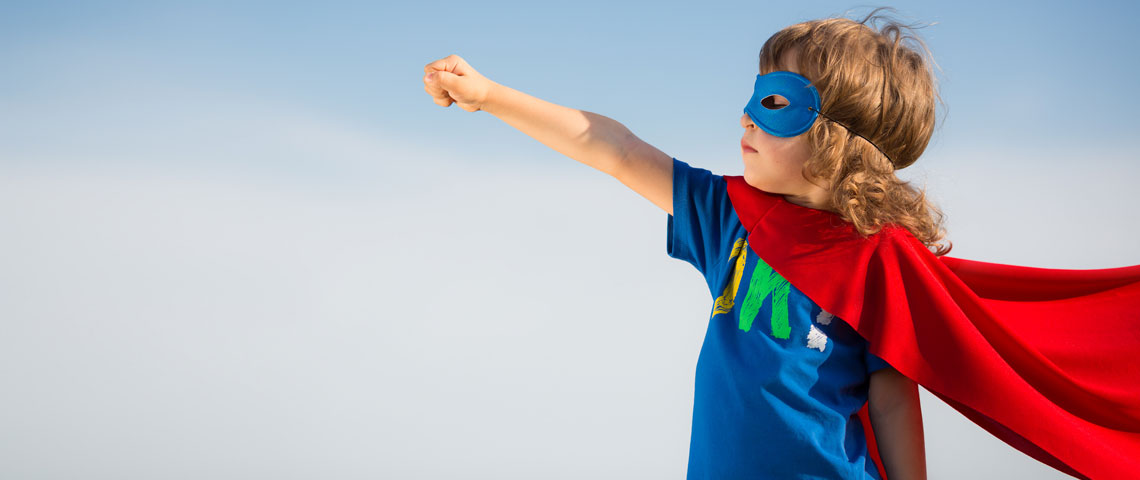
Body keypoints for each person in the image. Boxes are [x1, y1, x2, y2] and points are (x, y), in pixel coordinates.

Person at [422, 9, 1140, 480]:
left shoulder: (879, 259)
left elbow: (893, 398)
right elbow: (612, 148)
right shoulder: (726, 215)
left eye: (773, 103)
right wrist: (491, 95)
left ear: (833, 137)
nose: (744, 116)